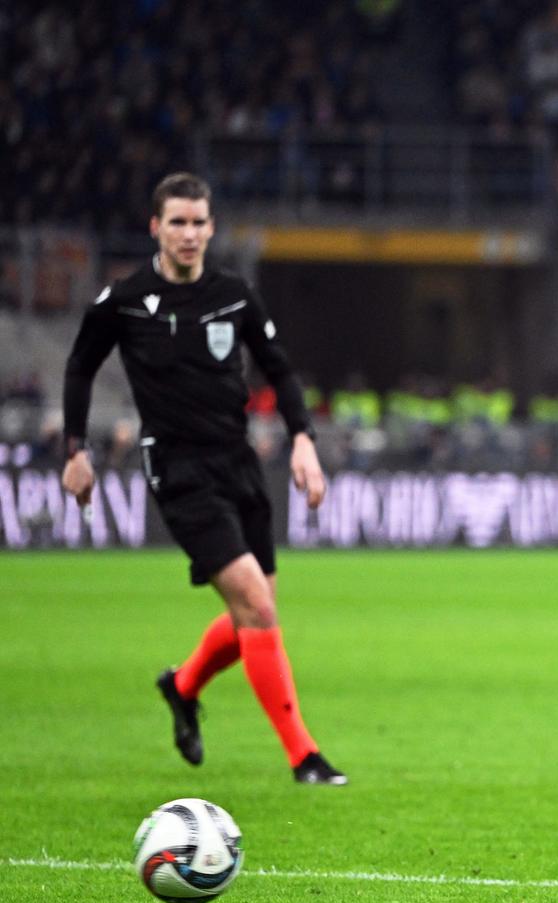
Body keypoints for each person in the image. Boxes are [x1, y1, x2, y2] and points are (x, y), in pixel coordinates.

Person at [61, 173, 347, 785]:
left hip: (237, 461)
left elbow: (281, 370)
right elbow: (81, 367)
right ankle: (304, 755)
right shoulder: (125, 301)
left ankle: (183, 685)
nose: (189, 234)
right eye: (177, 222)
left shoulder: (234, 296)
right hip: (178, 467)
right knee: (256, 602)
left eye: (198, 223)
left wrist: (303, 439)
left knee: (258, 611)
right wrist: (75, 449)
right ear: (155, 228)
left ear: (212, 228)